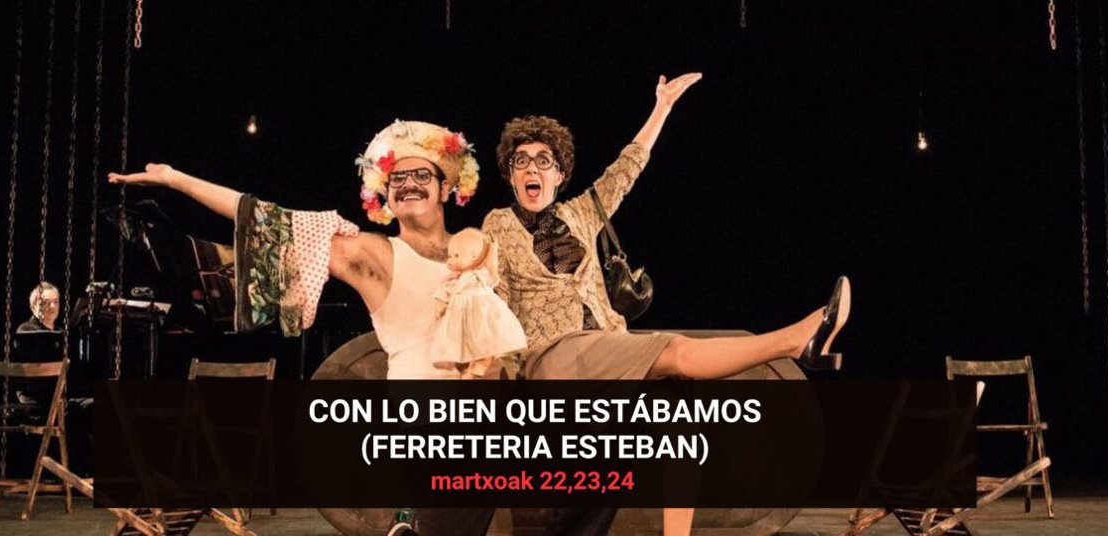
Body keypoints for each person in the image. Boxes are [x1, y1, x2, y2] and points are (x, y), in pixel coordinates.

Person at [109, 118, 850, 534]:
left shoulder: (484, 242)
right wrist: (176, 181)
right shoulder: (376, 255)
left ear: (445, 189)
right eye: (395, 180)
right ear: (382, 196)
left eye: (420, 177)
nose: (407, 186)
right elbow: (268, 218)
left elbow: (510, 284)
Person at [481, 73, 843, 535]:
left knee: (680, 415)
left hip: (605, 349)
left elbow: (628, 166)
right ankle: (794, 341)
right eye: (520, 162)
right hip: (551, 357)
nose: (531, 169)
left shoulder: (580, 212)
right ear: (510, 175)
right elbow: (494, 302)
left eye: (543, 161)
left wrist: (662, 107)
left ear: (559, 174)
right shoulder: (498, 224)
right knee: (675, 350)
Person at [431, 228, 527, 378]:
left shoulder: (480, 276)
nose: (451, 260)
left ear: (473, 257)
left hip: (480, 316)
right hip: (460, 321)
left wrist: (492, 251)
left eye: (456, 255)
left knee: (485, 343)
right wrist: (441, 305)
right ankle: (467, 370)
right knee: (461, 346)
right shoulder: (453, 279)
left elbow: (492, 269)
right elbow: (444, 292)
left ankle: (482, 365)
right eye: (450, 256)